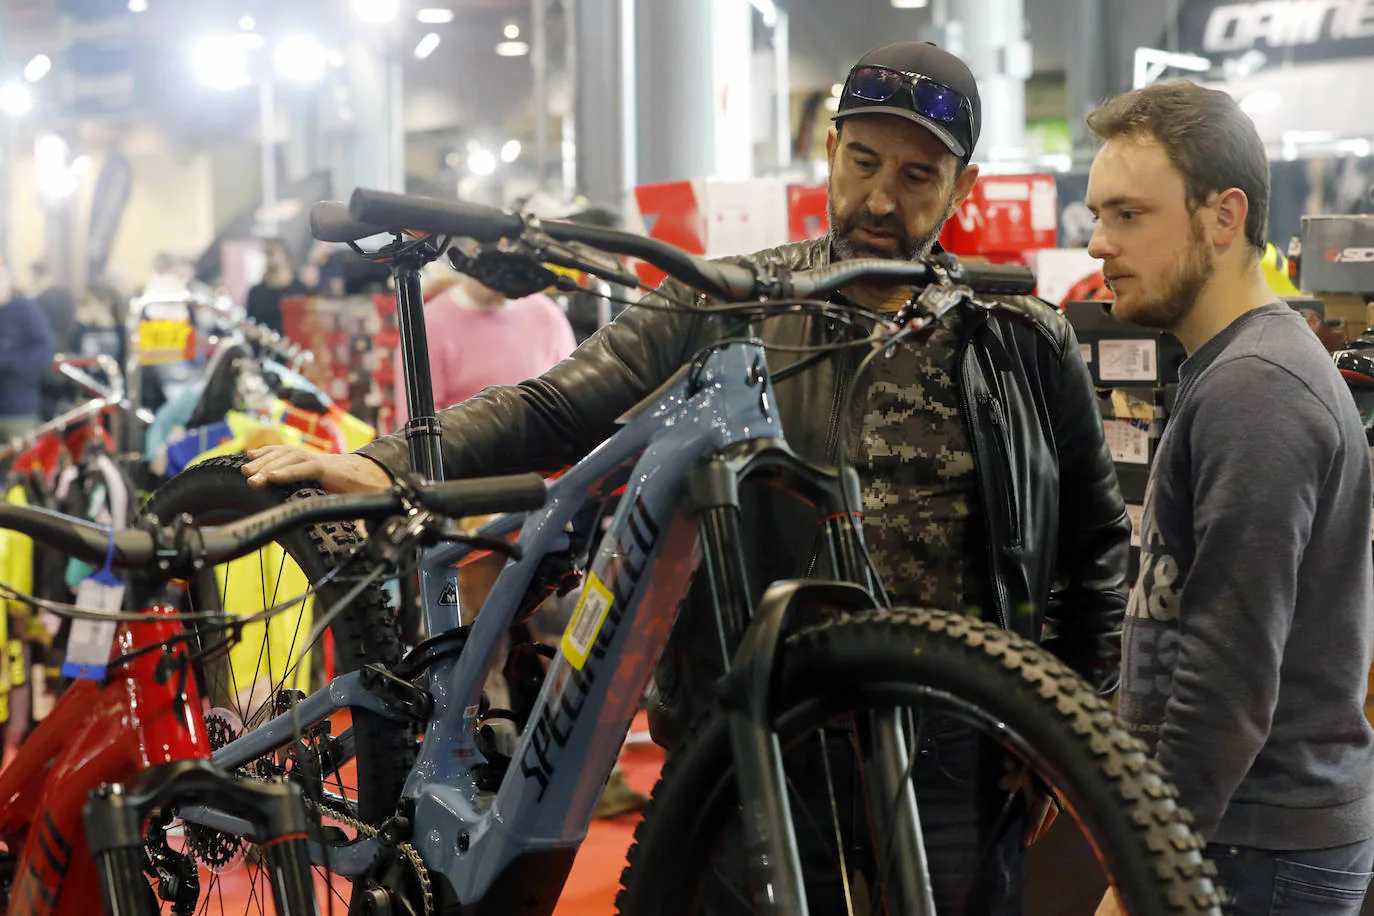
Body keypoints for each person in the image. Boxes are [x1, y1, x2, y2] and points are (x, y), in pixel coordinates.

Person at [244, 41, 1129, 911]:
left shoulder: (1017, 337)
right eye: (862, 161)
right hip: (754, 742)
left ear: (962, 190)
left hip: (957, 750)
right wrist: (380, 458)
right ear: (828, 149)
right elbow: (557, 405)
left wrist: (1065, 725)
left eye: (916, 177)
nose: (879, 198)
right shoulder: (729, 298)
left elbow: (1095, 550)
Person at [1084, 81, 1374, 915]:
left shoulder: (1257, 391)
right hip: (1244, 837)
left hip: (1255, 848)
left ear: (1223, 217)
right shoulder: (1233, 368)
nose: (1099, 242)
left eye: (1130, 215)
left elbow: (1228, 681)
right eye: (1099, 213)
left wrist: (1143, 871)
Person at [0, 262, 55, 442]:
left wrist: (7, 362)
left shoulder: (26, 311)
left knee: (20, 467)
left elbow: (44, 352)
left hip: (18, 410)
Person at [245, 239, 309, 336]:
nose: (271, 256)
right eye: (268, 253)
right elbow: (250, 325)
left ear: (286, 256)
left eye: (275, 251)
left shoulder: (301, 290)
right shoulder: (256, 293)